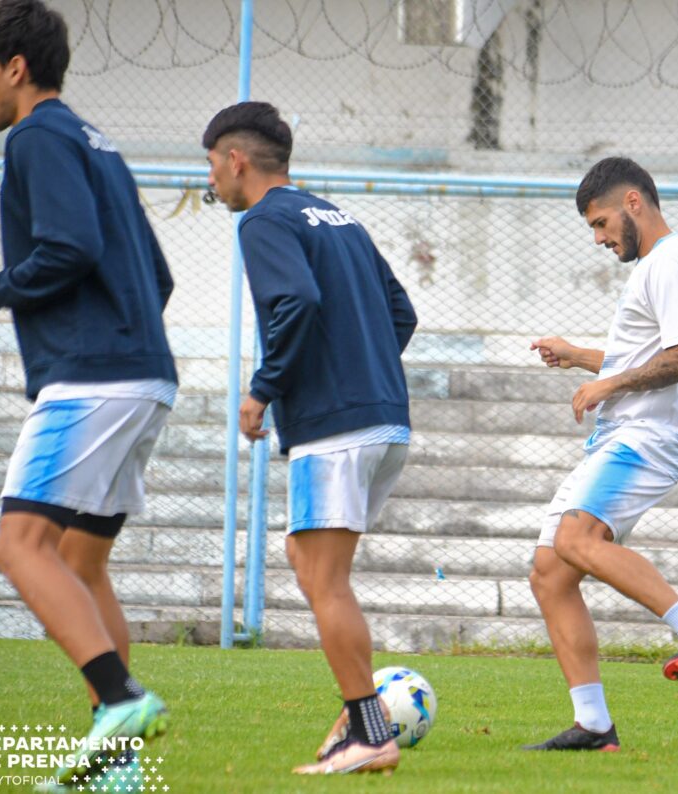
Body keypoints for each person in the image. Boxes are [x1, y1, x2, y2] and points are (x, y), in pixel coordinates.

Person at [0, 0, 175, 786]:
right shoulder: (98, 143)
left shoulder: (38, 136)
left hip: (92, 380)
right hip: (143, 375)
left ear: (15, 69)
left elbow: (71, 247)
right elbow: (159, 276)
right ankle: (114, 763)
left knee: (18, 547)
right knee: (82, 565)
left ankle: (119, 698)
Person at [202, 101, 417, 775]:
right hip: (383, 419)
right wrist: (364, 369)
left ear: (236, 160)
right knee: (304, 557)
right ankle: (362, 714)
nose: (211, 180)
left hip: (336, 427)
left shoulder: (263, 219)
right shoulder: (338, 216)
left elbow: (295, 302)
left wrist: (262, 388)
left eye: (210, 164)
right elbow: (401, 312)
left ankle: (369, 730)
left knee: (325, 582)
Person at [525, 157, 678, 752]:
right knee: (549, 575)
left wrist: (608, 386)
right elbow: (646, 353)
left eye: (600, 223)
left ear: (633, 204)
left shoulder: (670, 265)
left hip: (646, 440)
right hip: (621, 437)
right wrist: (579, 357)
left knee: (575, 541)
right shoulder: (653, 268)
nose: (599, 238)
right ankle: (594, 725)